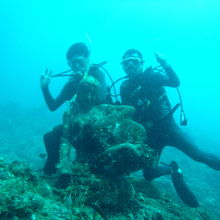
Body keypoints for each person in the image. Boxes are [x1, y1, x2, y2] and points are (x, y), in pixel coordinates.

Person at [119, 49, 220, 207]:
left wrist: (165, 64)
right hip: (151, 136)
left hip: (169, 129)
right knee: (149, 174)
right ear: (123, 66)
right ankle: (171, 170)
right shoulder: (124, 87)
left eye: (134, 62)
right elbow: (128, 112)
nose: (130, 66)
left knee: (199, 155)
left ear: (142, 63)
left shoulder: (152, 76)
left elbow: (175, 82)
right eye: (126, 63)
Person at [40, 42, 107, 175]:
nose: (76, 67)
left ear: (87, 61)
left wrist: (84, 80)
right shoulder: (72, 83)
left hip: (101, 125)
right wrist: (45, 88)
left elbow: (101, 99)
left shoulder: (98, 74)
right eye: (72, 63)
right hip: (81, 124)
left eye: (80, 62)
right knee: (50, 137)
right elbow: (53, 106)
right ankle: (51, 173)